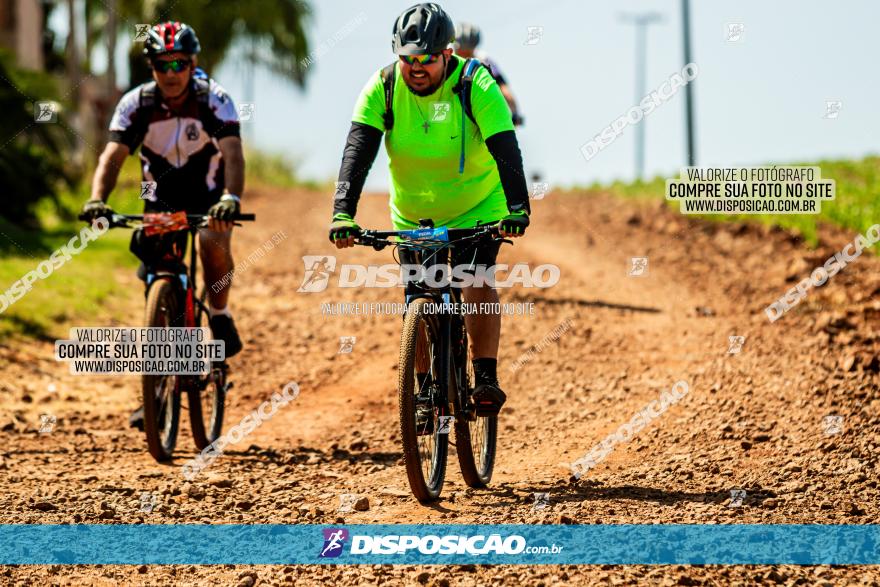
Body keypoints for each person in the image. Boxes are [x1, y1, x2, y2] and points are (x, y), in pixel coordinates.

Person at [328, 3, 530, 420]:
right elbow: (357, 154)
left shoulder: (477, 84)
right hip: (414, 214)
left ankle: (485, 375)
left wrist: (517, 207)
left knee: (475, 279)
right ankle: (423, 391)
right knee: (418, 299)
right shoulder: (382, 88)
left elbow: (506, 149)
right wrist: (342, 213)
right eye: (408, 59)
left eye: (426, 60)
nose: (416, 68)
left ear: (448, 54)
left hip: (478, 207)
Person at [80, 21, 246, 429]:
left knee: (212, 238)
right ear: (151, 66)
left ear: (192, 64)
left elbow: (234, 154)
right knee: (156, 272)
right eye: (161, 64)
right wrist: (97, 199)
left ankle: (220, 314)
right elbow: (113, 157)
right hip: (159, 198)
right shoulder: (137, 103)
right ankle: (156, 390)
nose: (170, 73)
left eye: (178, 64)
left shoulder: (214, 100)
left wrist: (231, 198)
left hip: (208, 194)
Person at [454, 22, 523, 125]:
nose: (465, 57)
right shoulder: (481, 60)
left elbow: (504, 90)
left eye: (467, 52)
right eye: (462, 52)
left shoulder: (484, 60)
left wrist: (514, 113)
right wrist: (515, 114)